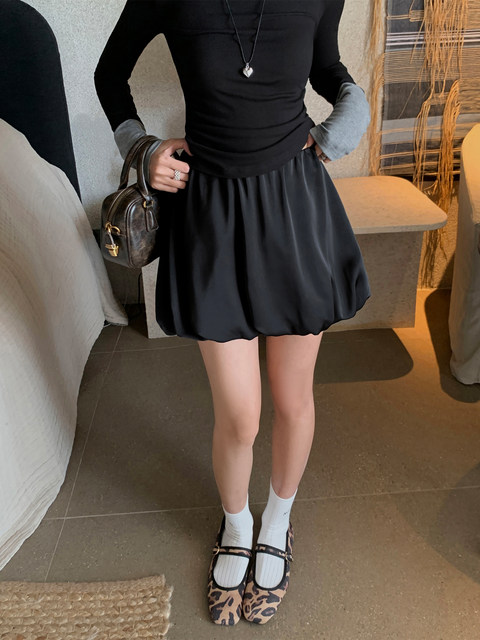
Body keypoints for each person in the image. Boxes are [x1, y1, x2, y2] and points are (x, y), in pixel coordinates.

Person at [94, 0, 371, 627]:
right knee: (240, 414)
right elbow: (109, 74)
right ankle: (237, 522)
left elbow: (328, 69)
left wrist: (349, 114)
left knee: (292, 398)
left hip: (295, 210)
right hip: (211, 216)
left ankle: (278, 521)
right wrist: (142, 149)